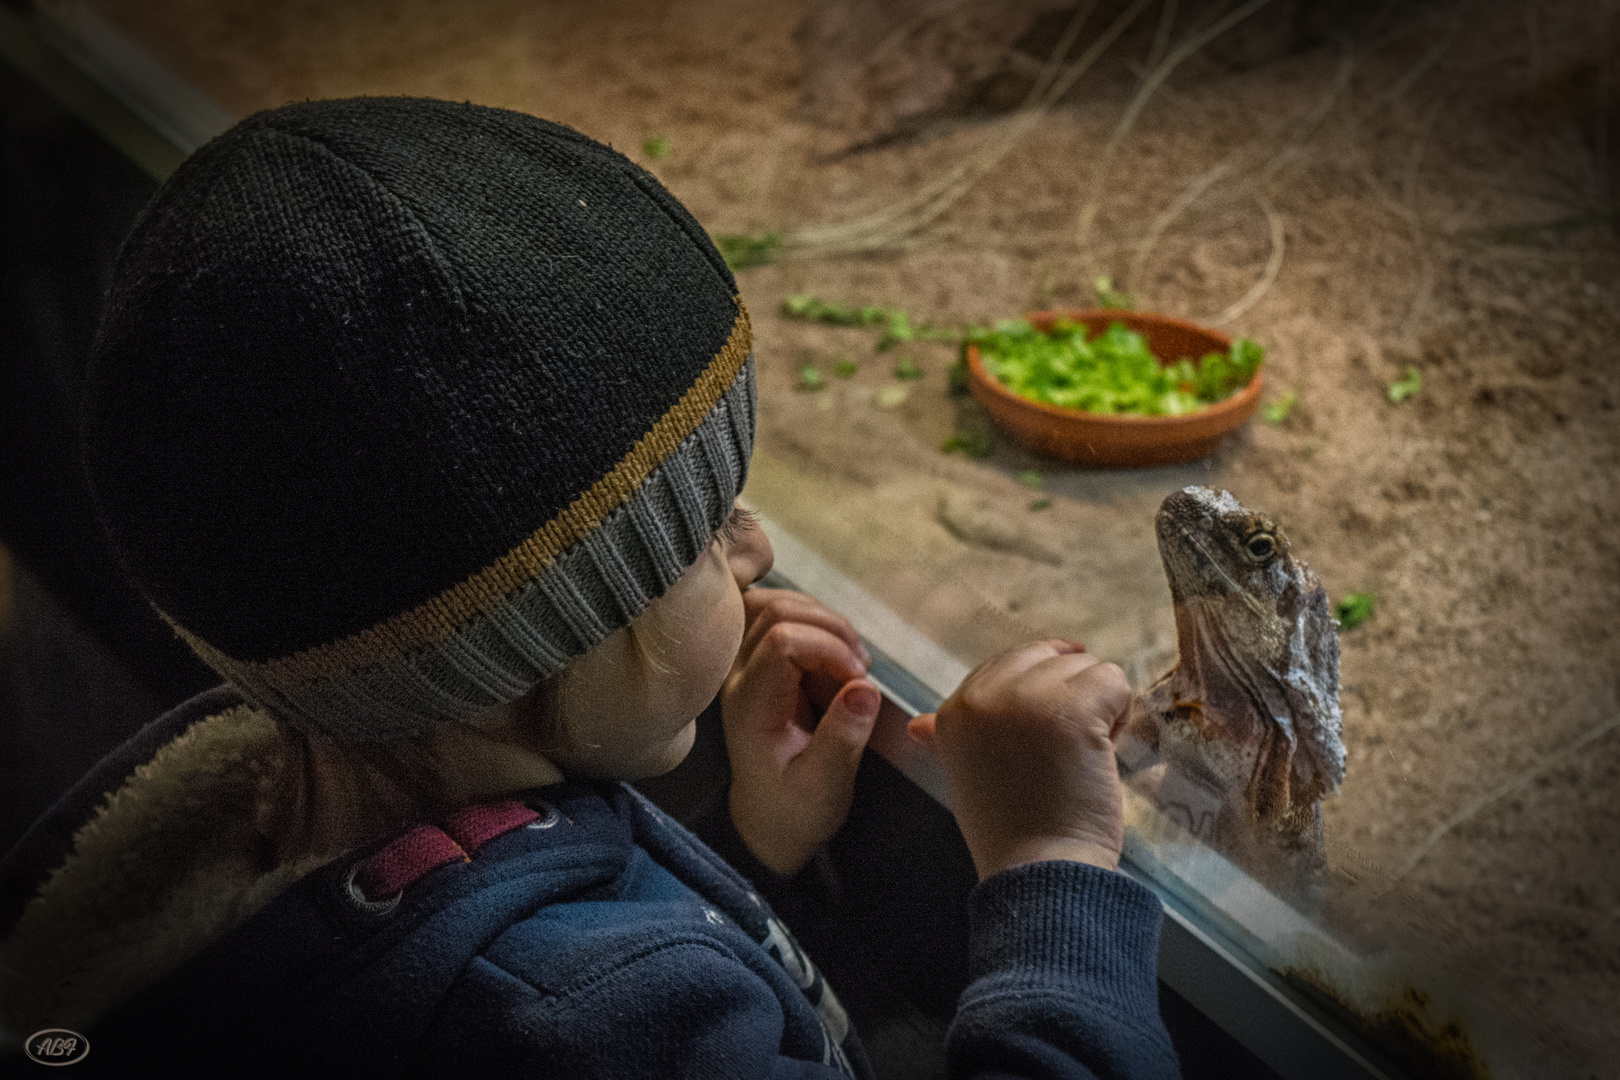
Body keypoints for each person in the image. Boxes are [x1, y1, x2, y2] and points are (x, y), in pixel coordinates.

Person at [0, 96, 1179, 1079]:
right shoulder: (574, 1020)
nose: (757, 550)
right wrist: (1051, 866)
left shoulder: (302, 799)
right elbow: (600, 999)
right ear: (533, 639)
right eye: (708, 535)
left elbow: (564, 914)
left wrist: (747, 859)